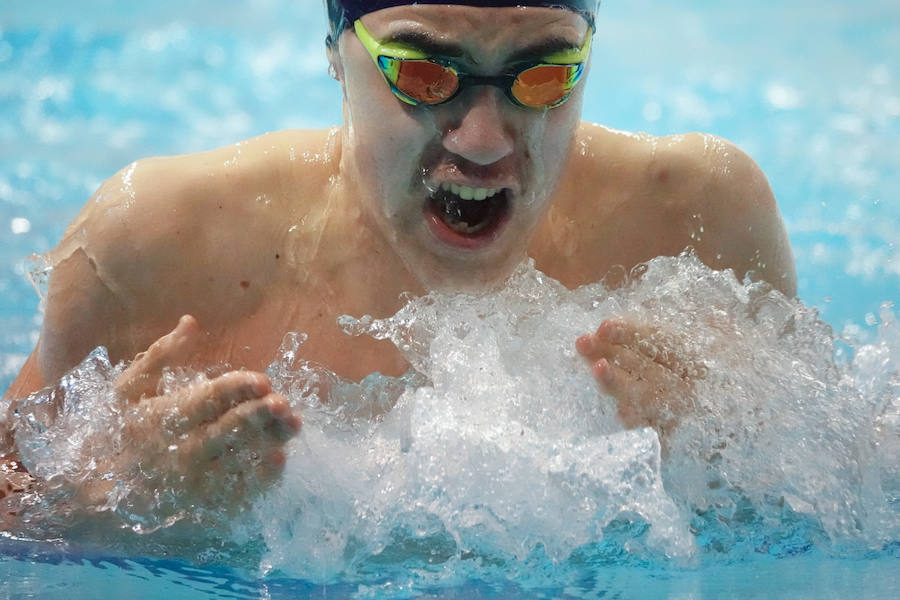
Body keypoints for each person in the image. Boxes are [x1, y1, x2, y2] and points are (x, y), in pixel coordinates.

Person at [1, 0, 796, 524]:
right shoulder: (154, 246)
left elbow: (836, 496)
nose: (483, 141)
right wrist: (112, 497)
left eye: (544, 75)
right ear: (335, 54)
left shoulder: (698, 220)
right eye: (424, 73)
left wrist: (729, 451)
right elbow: (14, 507)